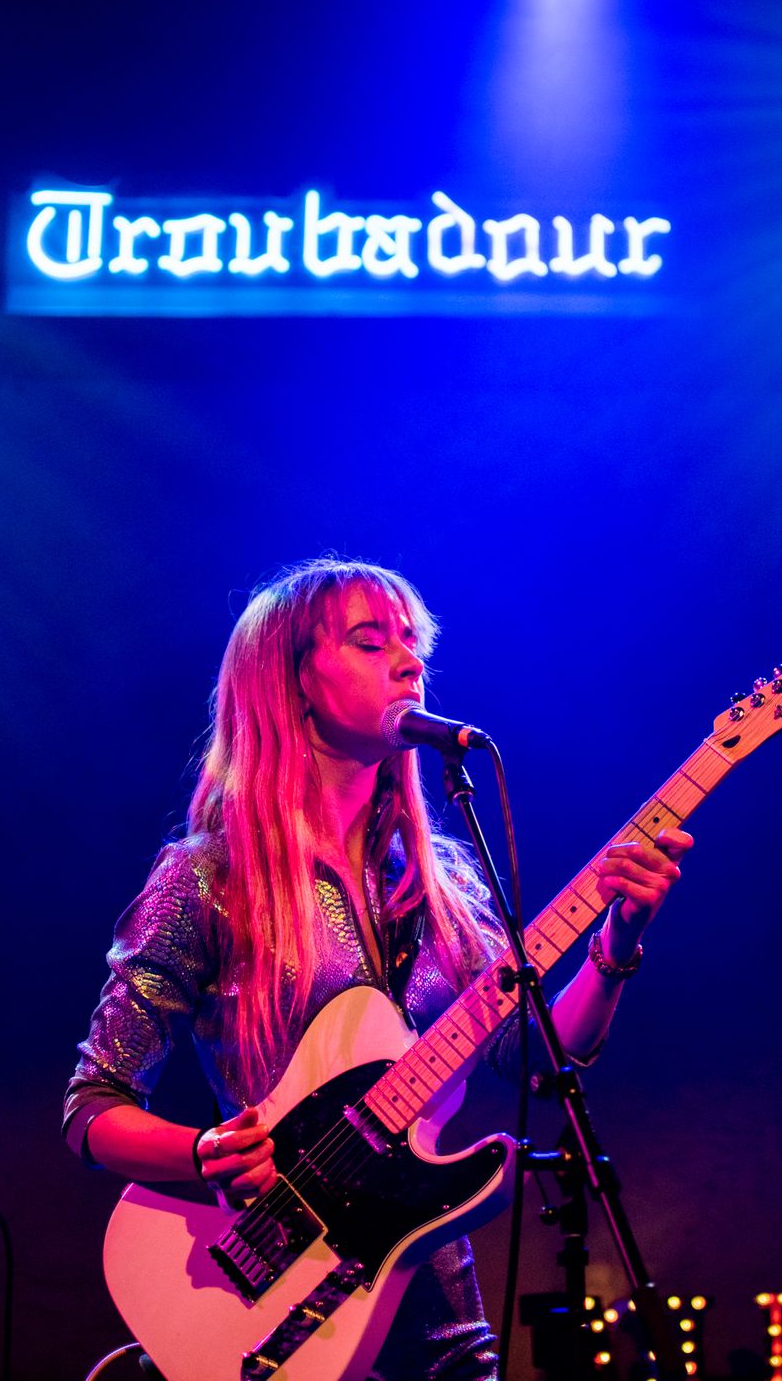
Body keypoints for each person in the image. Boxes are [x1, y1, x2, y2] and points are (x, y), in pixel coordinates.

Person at [65, 557, 692, 1380]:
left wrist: (615, 941)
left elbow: (539, 1056)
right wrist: (203, 1151)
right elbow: (93, 1104)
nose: (409, 662)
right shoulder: (209, 879)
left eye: (413, 643)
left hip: (436, 1308)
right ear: (291, 681)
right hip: (273, 1291)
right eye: (370, 642)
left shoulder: (441, 884)